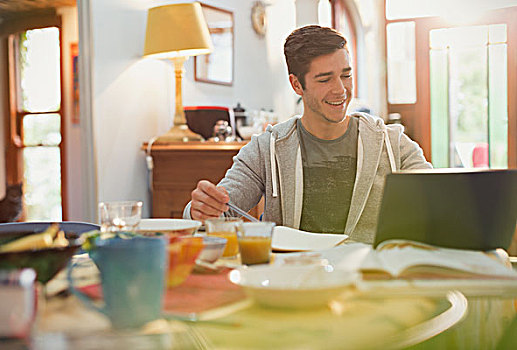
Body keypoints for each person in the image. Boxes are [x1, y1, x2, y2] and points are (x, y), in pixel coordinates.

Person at [183, 25, 432, 244]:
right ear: (296, 85)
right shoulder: (266, 148)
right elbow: (218, 213)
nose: (341, 90)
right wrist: (201, 210)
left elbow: (441, 198)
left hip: (369, 282)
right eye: (325, 80)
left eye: (346, 75)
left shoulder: (392, 143)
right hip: (294, 282)